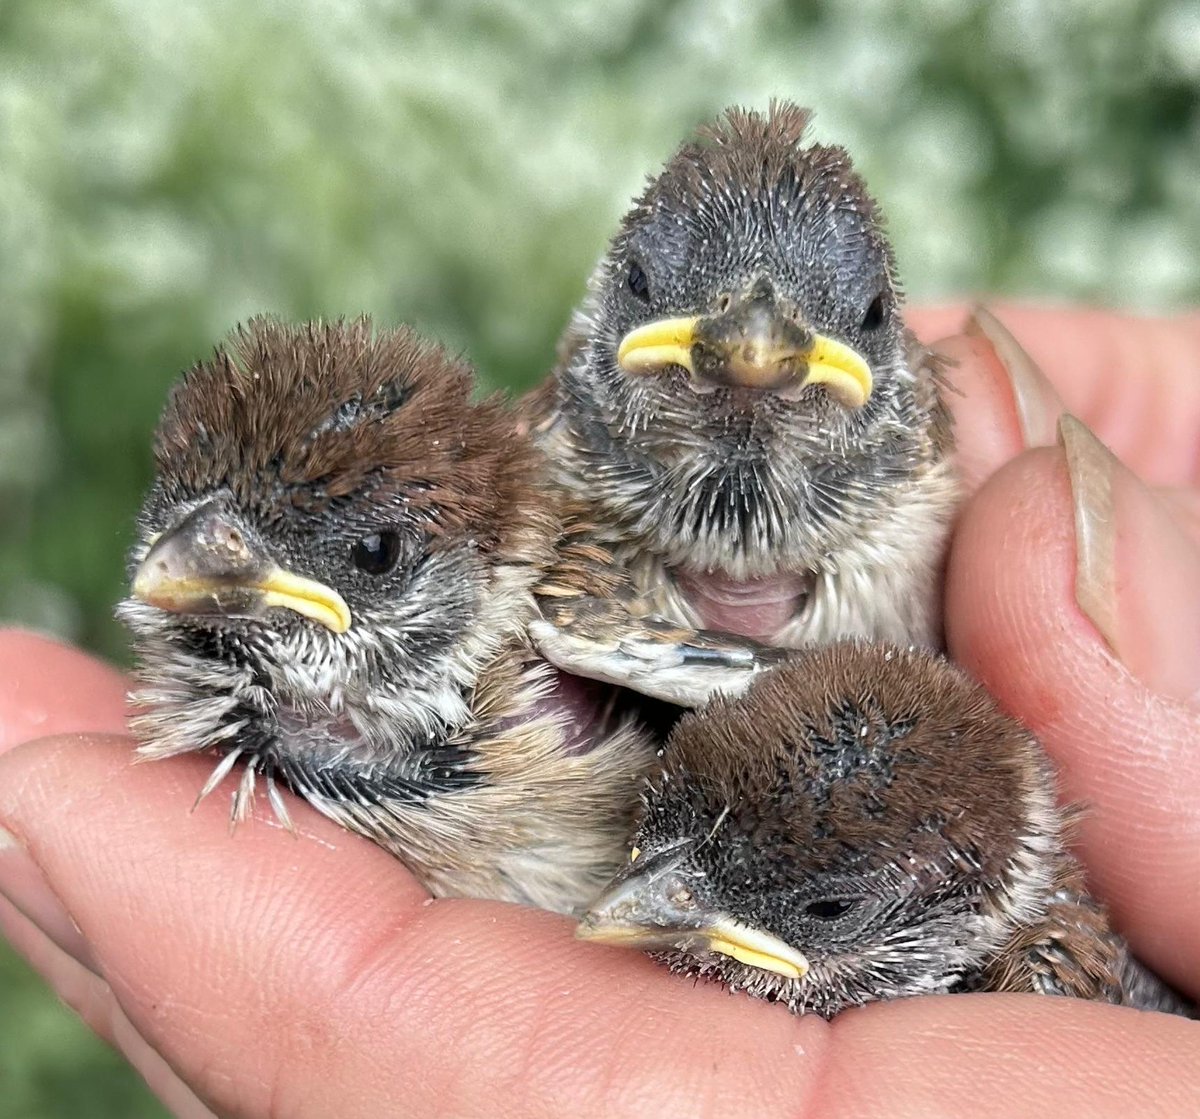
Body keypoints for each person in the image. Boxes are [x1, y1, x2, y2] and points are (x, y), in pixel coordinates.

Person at [0, 304, 1197, 1119]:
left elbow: (894, 737)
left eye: (366, 554)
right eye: (192, 511)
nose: (192, 557)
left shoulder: (569, 646)